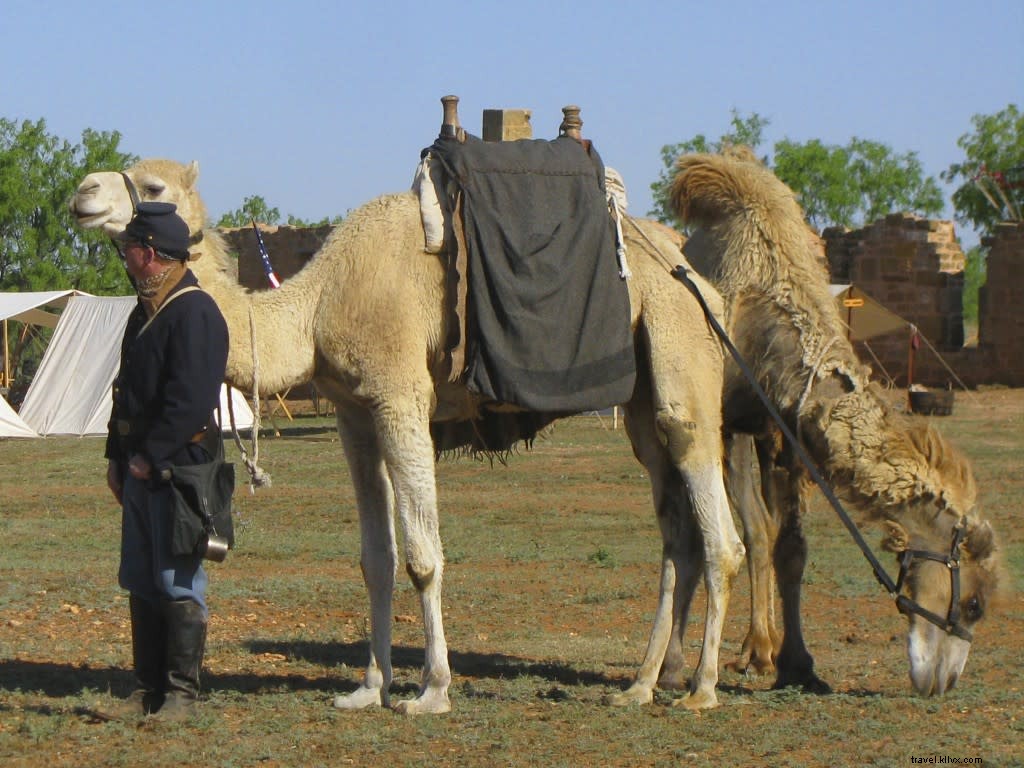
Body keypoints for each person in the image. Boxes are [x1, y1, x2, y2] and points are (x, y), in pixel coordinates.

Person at [97, 202, 229, 722]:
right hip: (139, 468)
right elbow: (125, 392)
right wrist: (117, 455)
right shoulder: (142, 310)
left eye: (129, 247)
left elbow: (189, 401)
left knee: (178, 581)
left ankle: (180, 696)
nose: (125, 256)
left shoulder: (196, 312)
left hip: (181, 469)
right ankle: (146, 690)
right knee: (141, 577)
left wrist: (150, 458)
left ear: (149, 253)